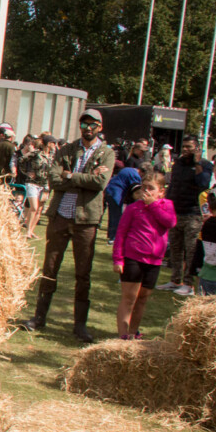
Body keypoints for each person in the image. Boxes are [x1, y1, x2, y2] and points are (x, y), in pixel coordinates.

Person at [24, 109, 115, 342]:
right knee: (50, 268)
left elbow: (100, 183)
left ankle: (80, 325)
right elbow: (53, 180)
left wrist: (70, 176)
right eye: (84, 123)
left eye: (92, 124)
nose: (87, 128)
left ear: (100, 127)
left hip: (86, 221)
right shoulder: (67, 149)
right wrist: (83, 177)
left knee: (83, 273)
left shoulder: (106, 153)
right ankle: (39, 317)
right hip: (61, 216)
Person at [111, 170, 175, 339]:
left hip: (154, 260)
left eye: (151, 188)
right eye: (144, 187)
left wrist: (153, 205)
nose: (146, 191)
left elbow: (170, 222)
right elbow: (121, 233)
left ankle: (133, 332)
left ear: (161, 191)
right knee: (129, 297)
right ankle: (123, 335)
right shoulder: (133, 208)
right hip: (133, 257)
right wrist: (118, 258)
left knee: (143, 298)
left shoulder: (166, 205)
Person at [157, 135, 213, 296]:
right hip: (175, 212)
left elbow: (203, 183)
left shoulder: (205, 165)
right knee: (175, 249)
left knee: (191, 251)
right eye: (184, 147)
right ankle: (175, 280)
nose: (186, 150)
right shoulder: (178, 164)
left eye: (189, 147)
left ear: (197, 148)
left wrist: (197, 163)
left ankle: (188, 283)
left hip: (193, 214)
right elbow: (174, 184)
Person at [17, 135, 54, 238]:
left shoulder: (52, 156)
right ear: (48, 143)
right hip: (32, 183)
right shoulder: (37, 153)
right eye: (53, 143)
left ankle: (31, 230)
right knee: (34, 207)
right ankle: (27, 230)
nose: (54, 145)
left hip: (45, 184)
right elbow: (21, 160)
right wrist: (26, 172)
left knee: (39, 209)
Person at [103, 160, 146, 244]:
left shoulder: (128, 169)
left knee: (112, 216)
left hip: (109, 191)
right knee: (117, 216)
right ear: (142, 172)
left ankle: (111, 235)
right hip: (116, 194)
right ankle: (113, 238)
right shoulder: (135, 175)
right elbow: (135, 190)